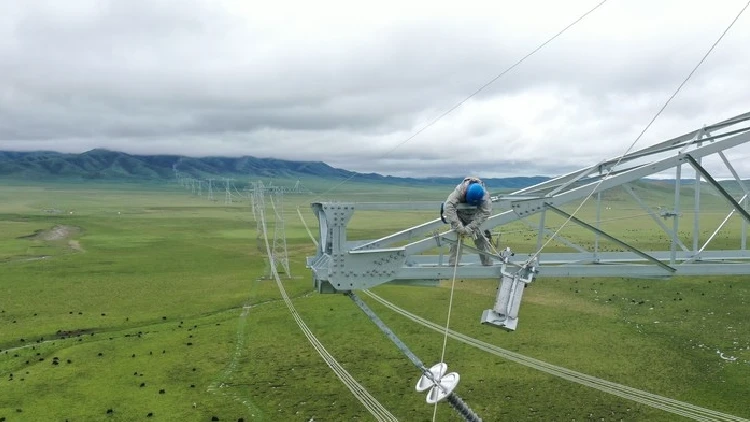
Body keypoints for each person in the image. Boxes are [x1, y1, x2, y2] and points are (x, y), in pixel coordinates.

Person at [443, 176, 493, 266]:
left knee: (482, 241)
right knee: (455, 242)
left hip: (475, 217)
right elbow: (449, 207)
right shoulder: (459, 191)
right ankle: (453, 267)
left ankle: (488, 266)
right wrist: (458, 226)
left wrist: (471, 227)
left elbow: (485, 212)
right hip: (459, 217)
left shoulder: (484, 196)